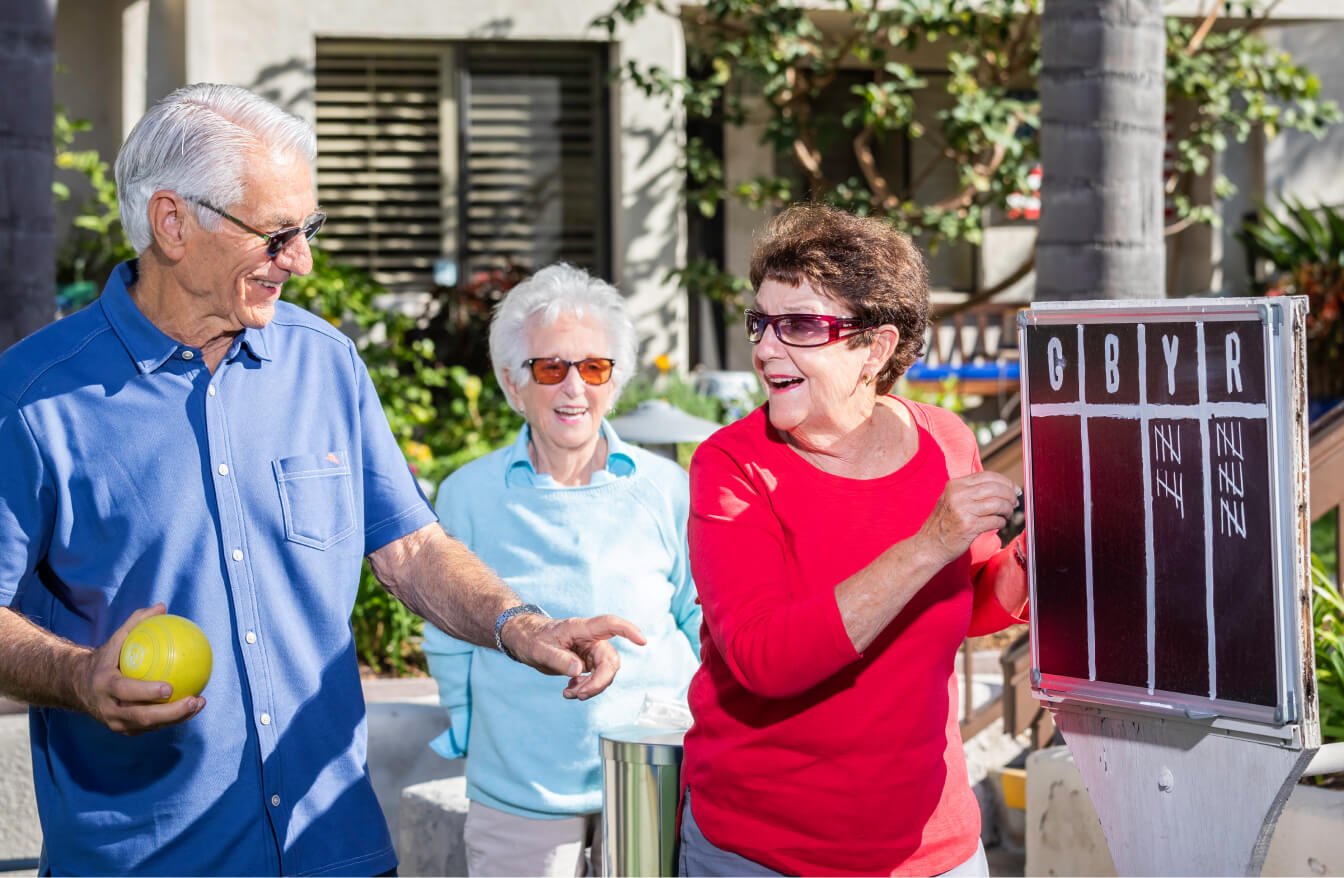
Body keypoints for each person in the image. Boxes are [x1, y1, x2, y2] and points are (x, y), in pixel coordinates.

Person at [0, 83, 644, 877]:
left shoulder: (325, 362)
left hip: (333, 849)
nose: (300, 260)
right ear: (172, 223)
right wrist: (78, 676)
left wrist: (521, 625)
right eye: (275, 235)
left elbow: (408, 547)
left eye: (306, 229)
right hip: (142, 858)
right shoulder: (32, 398)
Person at [679, 203, 1030, 877]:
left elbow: (969, 601)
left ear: (874, 348)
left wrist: (1038, 560)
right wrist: (928, 542)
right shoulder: (729, 465)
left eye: (800, 325)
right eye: (761, 322)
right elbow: (763, 660)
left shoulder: (946, 441)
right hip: (764, 854)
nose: (764, 348)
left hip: (934, 849)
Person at [423, 263, 702, 877]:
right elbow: (446, 630)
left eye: (593, 367)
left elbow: (698, 613)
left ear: (615, 378)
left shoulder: (666, 488)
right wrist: (468, 732)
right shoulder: (468, 493)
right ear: (511, 381)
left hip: (654, 769)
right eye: (550, 368)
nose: (573, 387)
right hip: (518, 783)